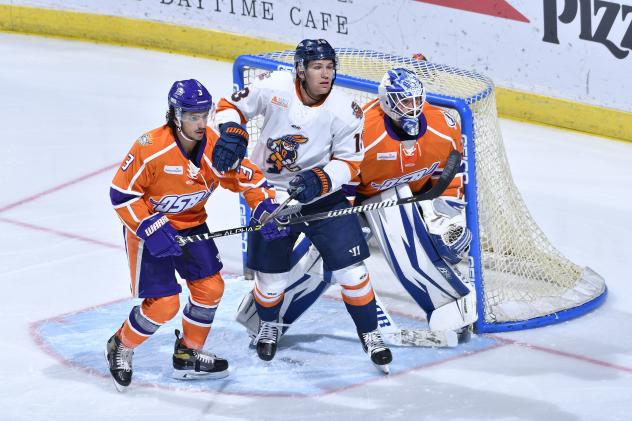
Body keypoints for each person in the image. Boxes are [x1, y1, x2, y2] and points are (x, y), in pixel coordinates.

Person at [236, 67, 475, 346]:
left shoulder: (443, 125)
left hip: (401, 197)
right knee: (322, 259)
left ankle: (451, 306)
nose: (412, 109)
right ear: (387, 101)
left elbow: (450, 172)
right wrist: (343, 229)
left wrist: (445, 213)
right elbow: (342, 180)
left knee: (405, 233)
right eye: (404, 101)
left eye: (415, 101)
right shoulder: (365, 131)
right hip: (353, 200)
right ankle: (265, 319)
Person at [212, 39, 392, 372]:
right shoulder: (275, 86)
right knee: (271, 281)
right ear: (300, 69)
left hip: (323, 195)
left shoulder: (345, 109)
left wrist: (321, 180)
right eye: (317, 67)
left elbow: (351, 162)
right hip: (272, 196)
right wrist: (234, 130)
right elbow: (228, 105)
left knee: (352, 273)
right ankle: (269, 325)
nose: (325, 75)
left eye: (329, 67)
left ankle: (370, 334)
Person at [105, 79, 281, 392]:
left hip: (192, 225)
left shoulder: (217, 148)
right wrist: (149, 227)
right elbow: (122, 195)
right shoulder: (150, 148)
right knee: (163, 306)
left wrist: (264, 208)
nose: (201, 123)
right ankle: (121, 344)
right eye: (192, 117)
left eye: (204, 115)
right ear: (176, 116)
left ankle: (188, 353)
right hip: (150, 230)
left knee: (211, 289)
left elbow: (250, 180)